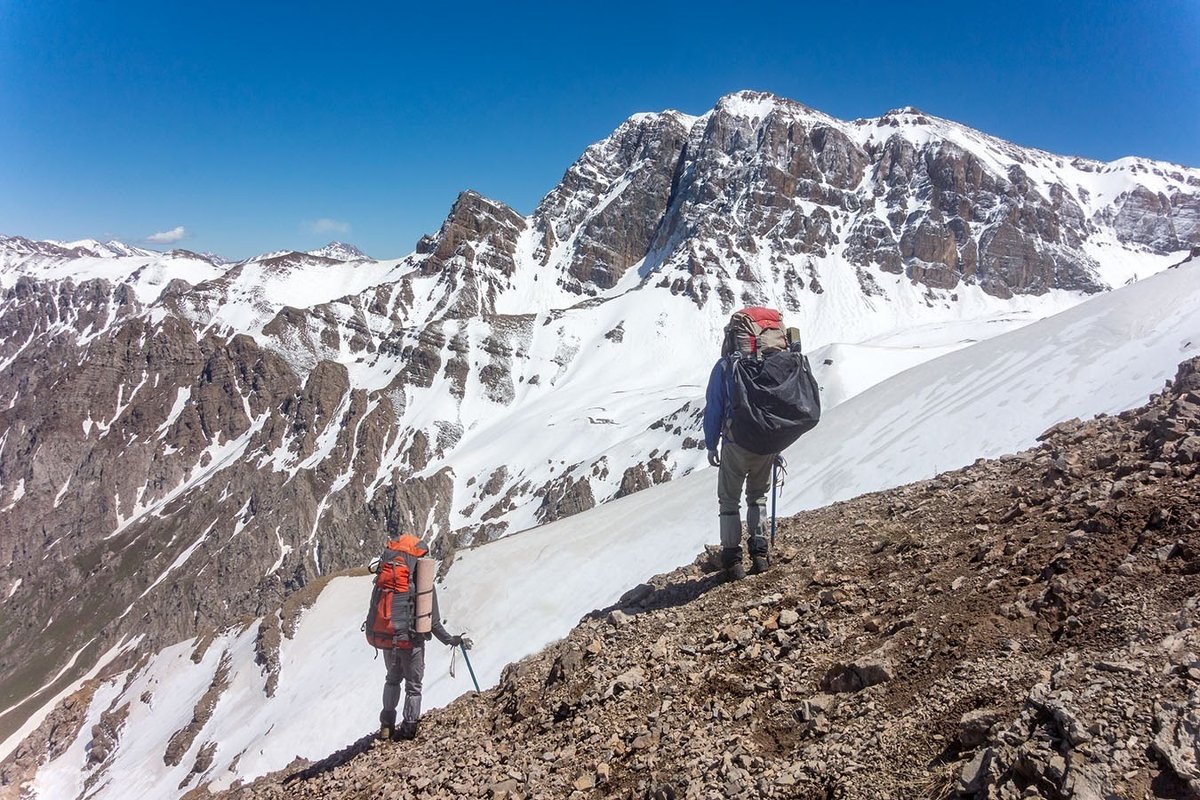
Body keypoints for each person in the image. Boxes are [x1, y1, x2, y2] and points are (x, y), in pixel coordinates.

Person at [370, 534, 471, 741]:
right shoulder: (422, 586)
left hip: (388, 640)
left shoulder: (383, 580)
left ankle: (386, 726)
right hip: (412, 642)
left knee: (392, 680)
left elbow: (374, 609)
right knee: (413, 687)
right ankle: (409, 729)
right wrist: (450, 640)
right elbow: (432, 623)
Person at [703, 359, 775, 580]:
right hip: (767, 441)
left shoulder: (726, 366)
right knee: (758, 497)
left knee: (729, 501)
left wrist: (711, 444)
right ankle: (760, 554)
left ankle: (733, 561)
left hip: (735, 443)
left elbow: (714, 406)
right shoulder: (771, 361)